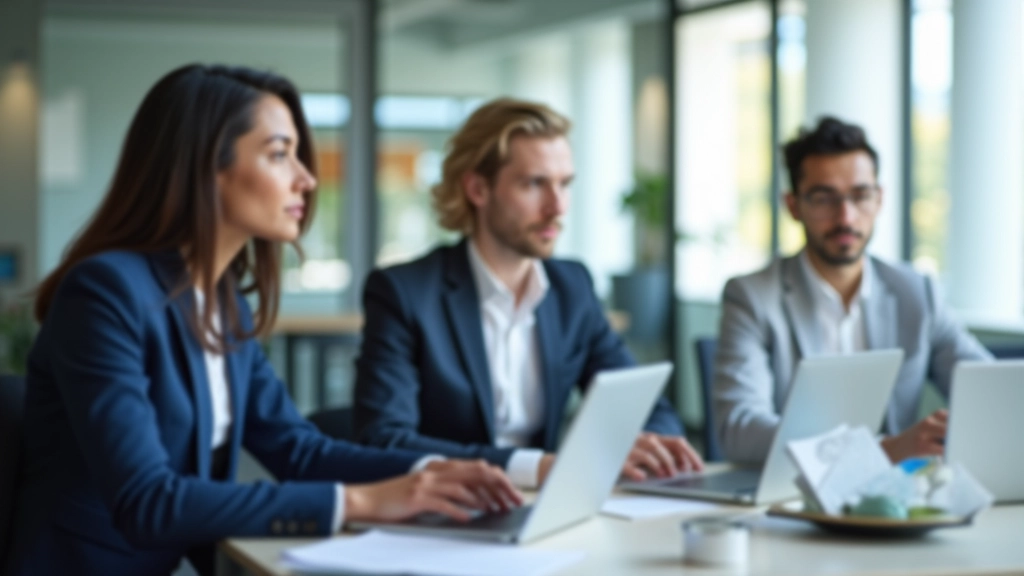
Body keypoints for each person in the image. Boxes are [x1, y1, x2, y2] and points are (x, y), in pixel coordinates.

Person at [8, 64, 521, 576]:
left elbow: (297, 449)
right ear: (205, 167)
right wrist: (362, 502)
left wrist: (447, 471)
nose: (307, 178)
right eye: (279, 154)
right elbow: (148, 500)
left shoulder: (224, 302)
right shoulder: (105, 292)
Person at [353, 98, 703, 490]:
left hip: (546, 509)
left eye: (565, 184)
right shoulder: (405, 293)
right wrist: (536, 467)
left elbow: (649, 408)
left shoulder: (572, 287)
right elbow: (385, 441)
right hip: (444, 514)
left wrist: (641, 442)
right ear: (478, 189)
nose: (557, 207)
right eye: (534, 184)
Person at [713, 116, 992, 465]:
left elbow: (990, 395)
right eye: (823, 198)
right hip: (794, 496)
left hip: (895, 502)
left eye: (861, 196)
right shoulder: (753, 297)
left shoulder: (918, 294)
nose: (846, 217)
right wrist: (883, 450)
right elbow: (740, 431)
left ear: (879, 199)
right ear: (793, 206)